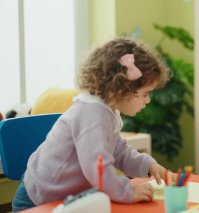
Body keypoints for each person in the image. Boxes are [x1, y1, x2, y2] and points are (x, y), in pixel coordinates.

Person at [12, 38, 175, 212]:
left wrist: (148, 165)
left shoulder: (105, 111)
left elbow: (118, 150)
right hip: (39, 199)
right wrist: (127, 191)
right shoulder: (93, 113)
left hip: (63, 196)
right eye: (145, 94)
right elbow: (96, 167)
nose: (148, 100)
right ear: (122, 88)